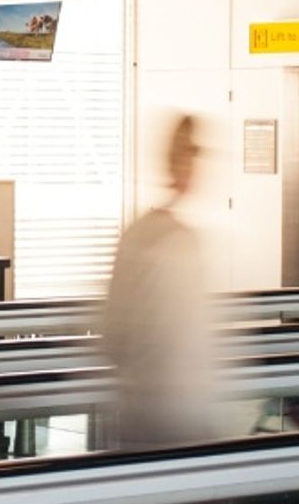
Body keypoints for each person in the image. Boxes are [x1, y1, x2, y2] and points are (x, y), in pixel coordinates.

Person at [100, 114, 217, 449]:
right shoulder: (180, 241)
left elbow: (113, 334)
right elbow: (188, 343)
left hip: (135, 407)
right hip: (177, 415)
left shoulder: (136, 233)